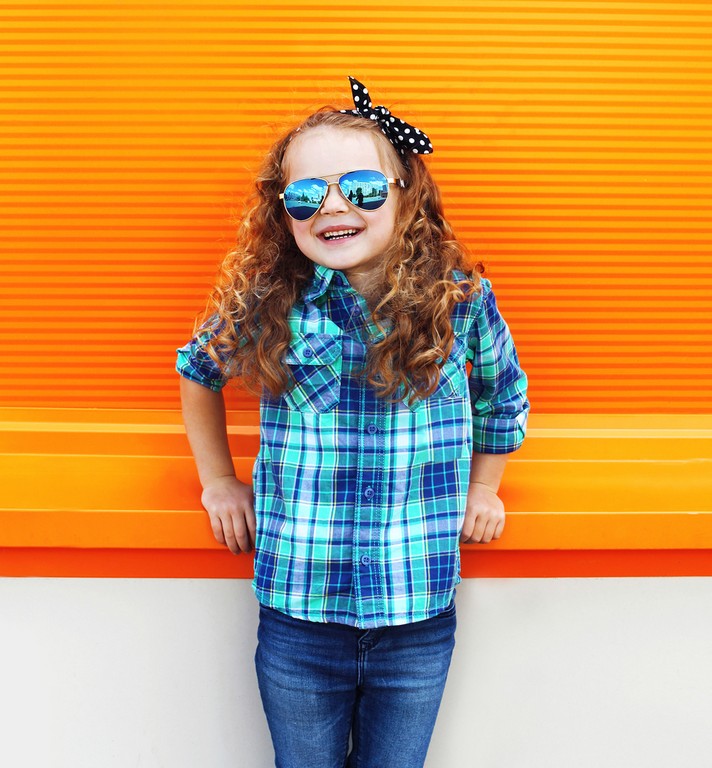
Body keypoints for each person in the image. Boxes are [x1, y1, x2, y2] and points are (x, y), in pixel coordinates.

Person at [176, 76, 529, 768]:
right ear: (283, 211)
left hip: (416, 614)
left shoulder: (461, 303)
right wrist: (218, 480)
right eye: (306, 195)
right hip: (298, 617)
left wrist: (485, 488)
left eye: (362, 188)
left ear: (405, 195)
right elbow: (198, 370)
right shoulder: (269, 301)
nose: (333, 206)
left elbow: (502, 397)